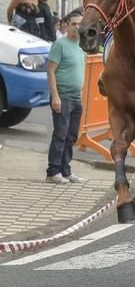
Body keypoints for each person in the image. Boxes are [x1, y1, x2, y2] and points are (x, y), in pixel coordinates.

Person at [46, 10, 87, 184]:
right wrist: (55, 97)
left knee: (71, 136)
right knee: (60, 135)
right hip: (62, 96)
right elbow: (50, 71)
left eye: (79, 24)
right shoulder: (60, 45)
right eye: (73, 24)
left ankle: (65, 170)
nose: (77, 27)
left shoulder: (80, 46)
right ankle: (53, 172)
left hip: (76, 98)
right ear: (67, 25)